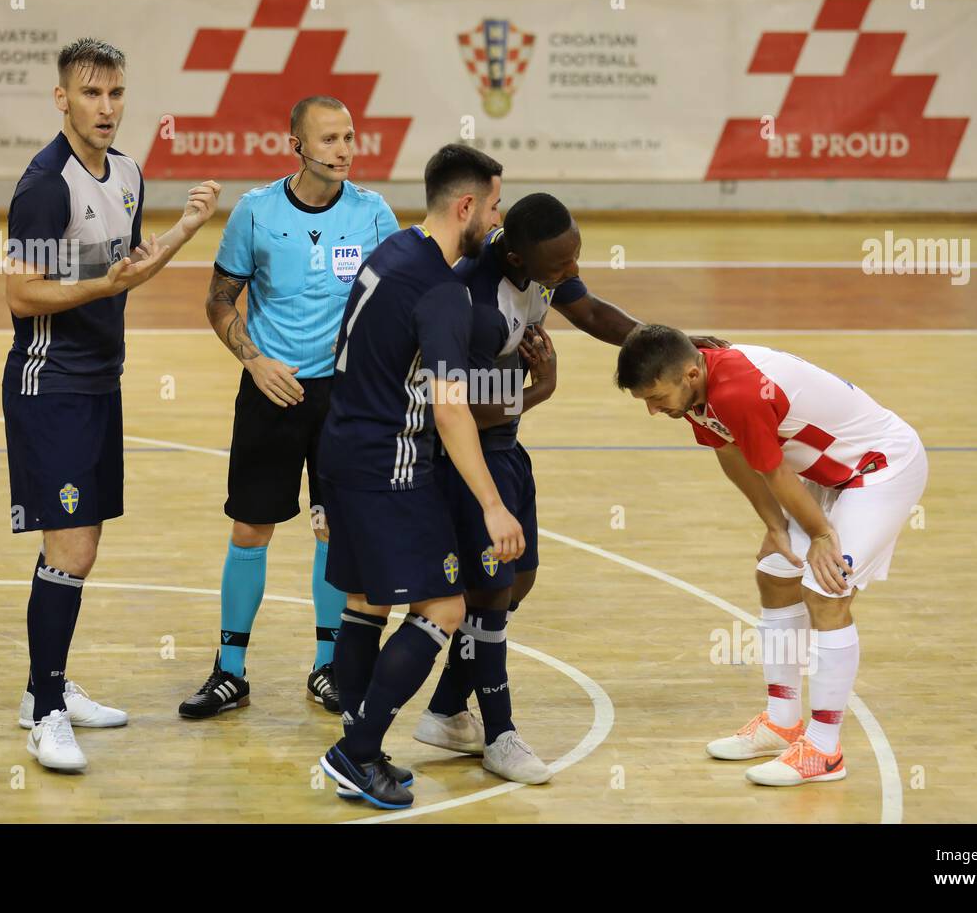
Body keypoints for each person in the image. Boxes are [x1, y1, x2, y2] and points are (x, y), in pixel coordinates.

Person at [415, 194, 726, 784]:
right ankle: (500, 733)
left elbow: (591, 314)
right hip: (467, 457)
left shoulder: (540, 269)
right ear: (515, 253)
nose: (570, 273)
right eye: (559, 266)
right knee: (492, 594)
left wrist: (671, 344)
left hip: (506, 447)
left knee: (518, 582)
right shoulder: (476, 302)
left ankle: (447, 710)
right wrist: (541, 390)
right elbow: (453, 411)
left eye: (574, 257)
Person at [4, 38, 219, 771]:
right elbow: (21, 290)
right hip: (50, 382)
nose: (106, 107)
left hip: (101, 381)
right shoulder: (44, 184)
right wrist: (98, 289)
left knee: (78, 548)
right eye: (92, 94)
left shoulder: (127, 172)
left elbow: (122, 270)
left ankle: (46, 691)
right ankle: (44, 709)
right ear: (61, 99)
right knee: (73, 546)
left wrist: (186, 229)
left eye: (116, 93)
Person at [616, 327, 927, 786]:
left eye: (657, 397)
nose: (653, 410)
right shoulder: (694, 387)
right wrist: (776, 525)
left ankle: (825, 751)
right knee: (776, 574)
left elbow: (773, 467)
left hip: (878, 470)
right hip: (827, 476)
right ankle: (783, 721)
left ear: (690, 372)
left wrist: (821, 534)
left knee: (826, 591)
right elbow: (731, 453)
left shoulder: (738, 390)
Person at [316, 144, 526, 810]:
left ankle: (364, 747)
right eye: (493, 205)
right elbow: (450, 404)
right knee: (442, 607)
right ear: (465, 205)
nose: (498, 220)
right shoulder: (442, 290)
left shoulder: (393, 249)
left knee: (364, 604)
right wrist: (493, 506)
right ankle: (355, 751)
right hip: (390, 464)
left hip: (341, 450)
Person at [178, 96, 399, 720]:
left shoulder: (374, 214)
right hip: (270, 390)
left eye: (350, 136)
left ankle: (328, 667)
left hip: (344, 401)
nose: (345, 148)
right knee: (251, 529)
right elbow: (219, 302)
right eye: (329, 138)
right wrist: (254, 360)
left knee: (332, 529)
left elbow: (399, 301)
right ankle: (230, 671)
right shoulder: (255, 212)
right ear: (296, 145)